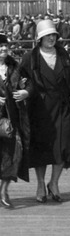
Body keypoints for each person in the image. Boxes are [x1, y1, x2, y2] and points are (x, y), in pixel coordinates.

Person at [18, 19, 70, 203]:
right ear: (39, 38)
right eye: (47, 36)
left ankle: (54, 183)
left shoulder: (63, 55)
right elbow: (21, 79)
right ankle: (40, 184)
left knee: (62, 147)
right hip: (40, 109)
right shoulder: (30, 57)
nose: (51, 39)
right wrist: (23, 90)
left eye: (53, 35)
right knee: (42, 149)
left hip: (62, 107)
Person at [0, 34, 29, 209]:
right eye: (0, 46)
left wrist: (26, 92)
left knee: (12, 155)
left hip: (11, 118)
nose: (4, 49)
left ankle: (4, 191)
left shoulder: (16, 66)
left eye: (5, 46)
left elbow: (29, 84)